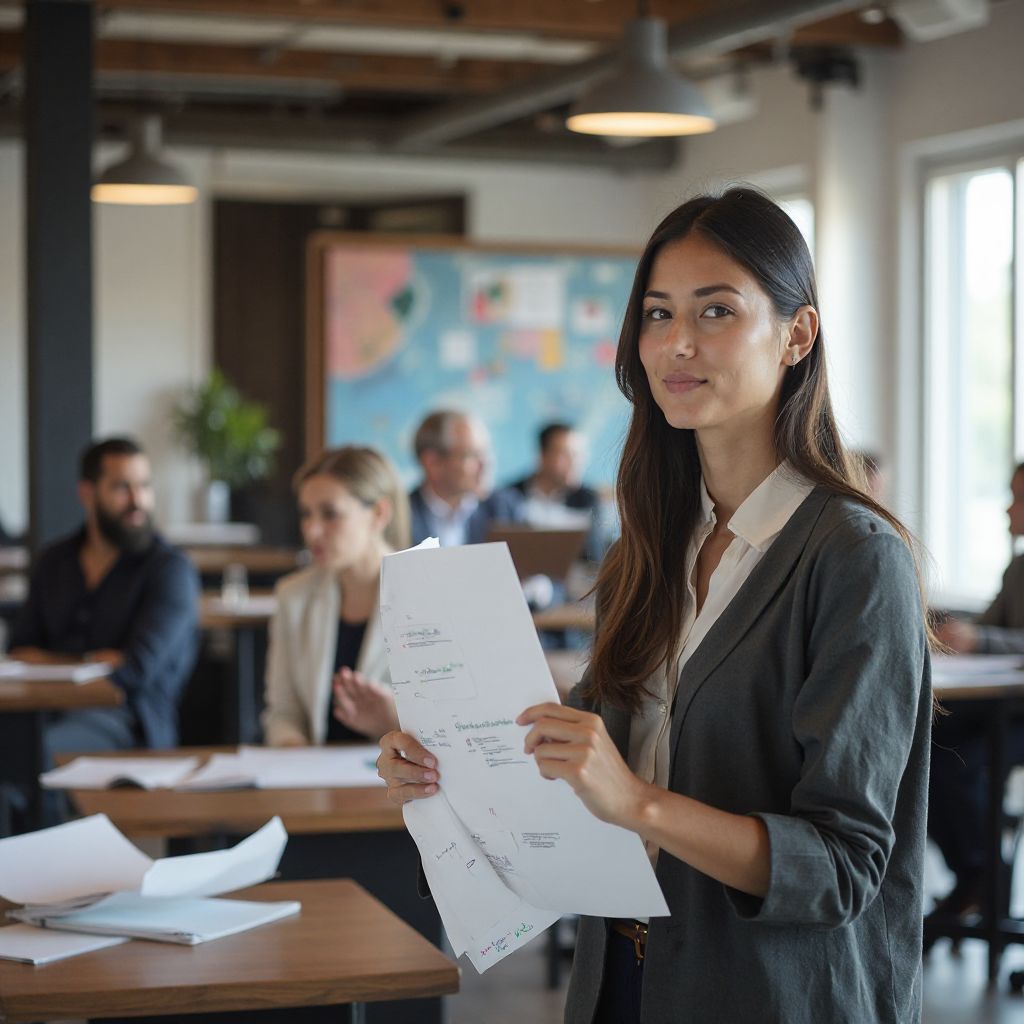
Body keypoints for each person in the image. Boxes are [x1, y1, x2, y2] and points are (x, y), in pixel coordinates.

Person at [378, 188, 932, 1022]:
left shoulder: (855, 558)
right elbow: (581, 763)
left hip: (771, 996)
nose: (676, 343)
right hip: (621, 980)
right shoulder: (651, 543)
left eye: (716, 312)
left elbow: (841, 867)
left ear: (798, 334)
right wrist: (450, 760)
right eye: (658, 313)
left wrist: (637, 802)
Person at [9, 437, 199, 757]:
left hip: (129, 722)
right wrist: (93, 661)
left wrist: (53, 661)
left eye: (144, 486)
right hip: (40, 711)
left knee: (34, 754)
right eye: (121, 487)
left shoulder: (170, 570)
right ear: (87, 493)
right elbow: (20, 650)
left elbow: (134, 672)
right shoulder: (54, 561)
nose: (137, 500)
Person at [928, 461, 1024, 921]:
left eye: (1020, 498)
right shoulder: (1019, 567)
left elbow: (991, 637)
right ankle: (978, 874)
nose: (1009, 508)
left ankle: (984, 878)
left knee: (952, 758)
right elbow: (988, 627)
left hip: (1016, 719)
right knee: (919, 743)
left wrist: (980, 640)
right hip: (998, 712)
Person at [261, 446, 407, 746]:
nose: (312, 531)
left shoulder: (427, 596)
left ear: (379, 513)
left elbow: (454, 727)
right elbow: (283, 712)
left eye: (330, 514)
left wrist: (391, 721)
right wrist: (292, 748)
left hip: (402, 783)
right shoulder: (293, 596)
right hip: (315, 781)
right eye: (306, 514)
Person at [408, 410, 522, 546]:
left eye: (485, 453)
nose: (485, 464)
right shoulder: (400, 515)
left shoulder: (505, 509)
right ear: (432, 463)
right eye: (472, 455)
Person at [510, 421, 606, 563]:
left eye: (579, 455)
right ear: (543, 455)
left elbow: (594, 559)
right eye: (566, 454)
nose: (575, 463)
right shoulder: (511, 496)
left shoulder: (588, 500)